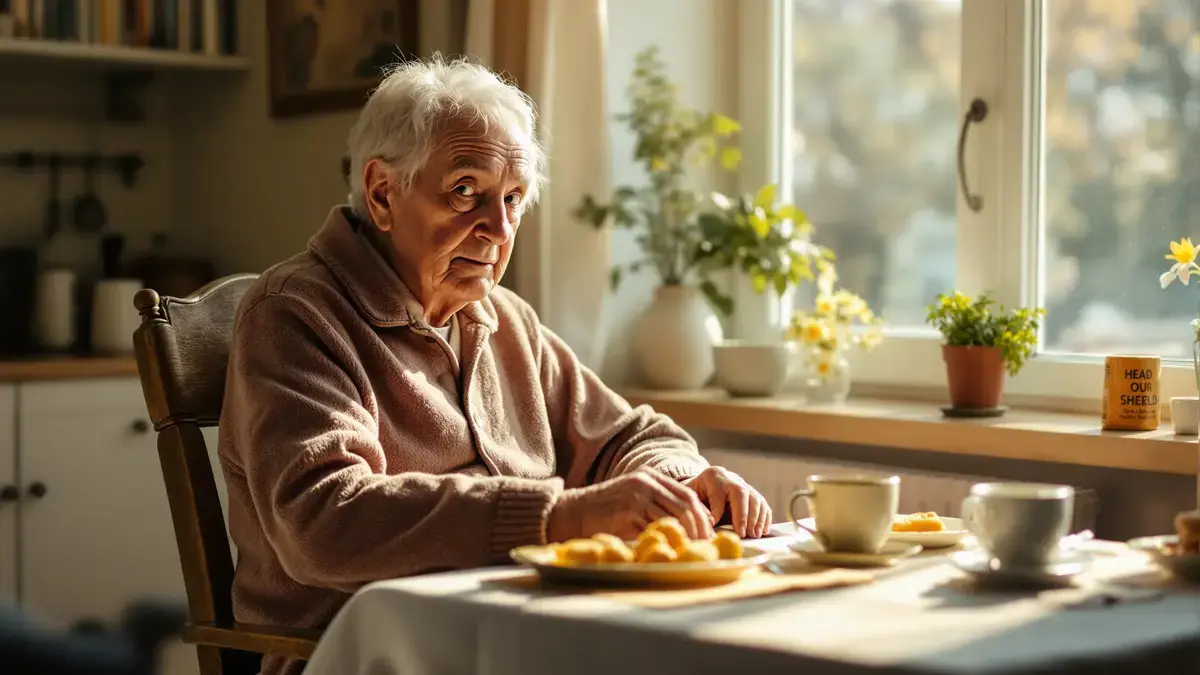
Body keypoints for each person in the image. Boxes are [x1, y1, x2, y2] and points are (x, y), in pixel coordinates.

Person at [220, 57, 771, 675]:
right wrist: (558, 516)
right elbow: (322, 520)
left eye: (513, 198)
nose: (499, 228)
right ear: (382, 194)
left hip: (517, 634)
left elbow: (635, 436)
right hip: (362, 653)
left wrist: (674, 483)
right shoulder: (296, 313)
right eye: (465, 191)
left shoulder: (505, 319)